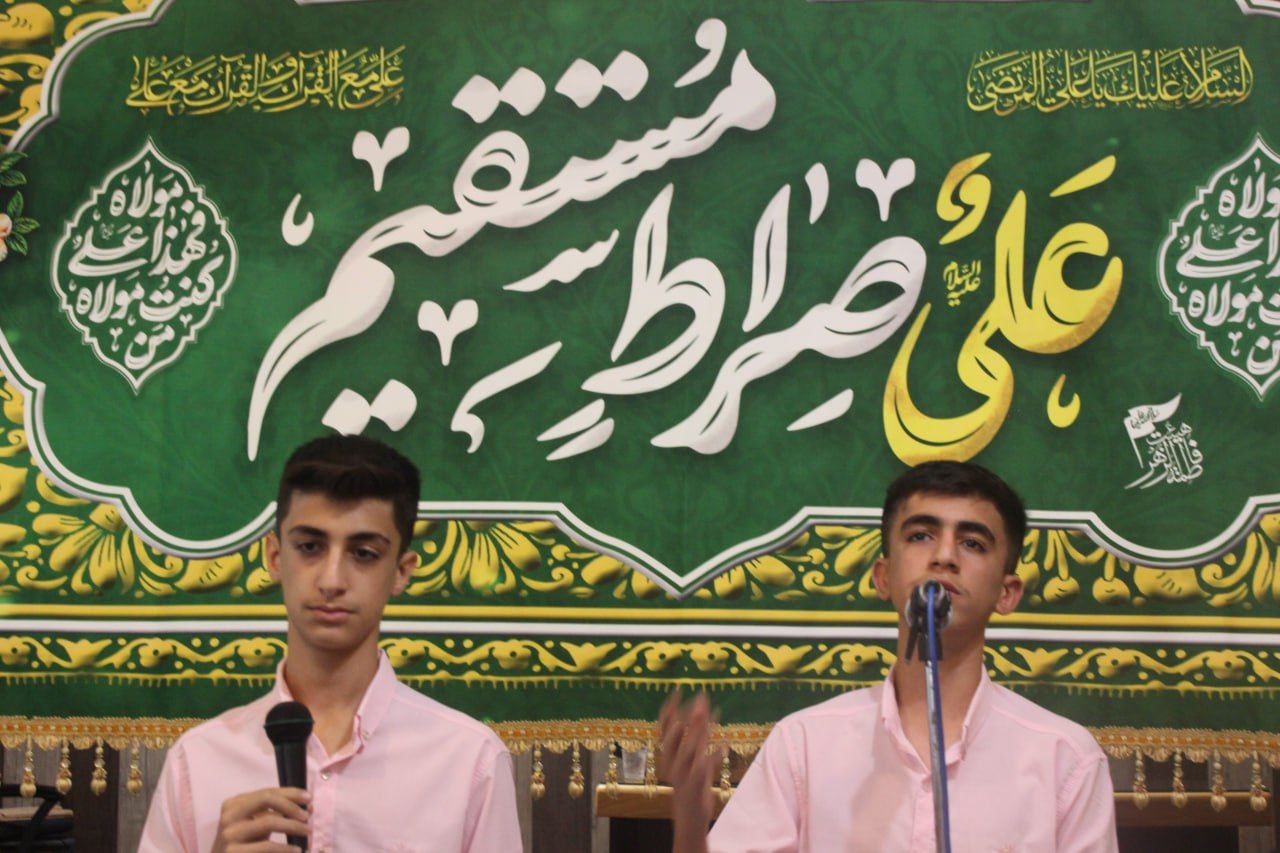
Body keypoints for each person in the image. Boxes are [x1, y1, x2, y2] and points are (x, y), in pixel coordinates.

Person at [662, 461, 1118, 853]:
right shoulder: (804, 745)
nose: (944, 556)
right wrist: (690, 824)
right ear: (882, 577)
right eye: (921, 535)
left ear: (1007, 592)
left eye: (973, 543)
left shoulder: (1065, 759)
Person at [139, 435, 521, 852]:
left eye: (364, 553)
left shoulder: (468, 761)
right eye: (310, 547)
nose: (332, 580)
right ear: (275, 557)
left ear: (402, 571)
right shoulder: (198, 761)